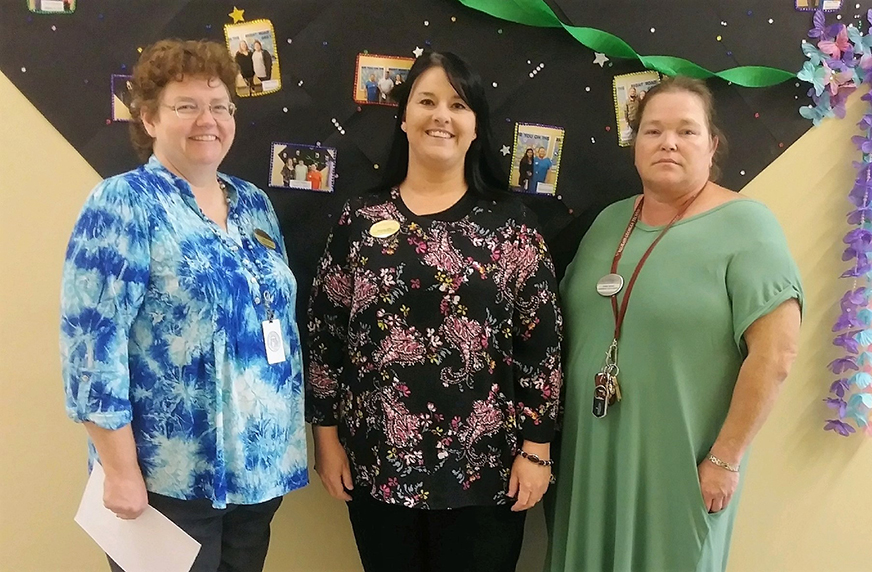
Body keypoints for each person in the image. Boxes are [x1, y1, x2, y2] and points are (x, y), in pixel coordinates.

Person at [306, 51, 563, 572]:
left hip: (487, 470)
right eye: (426, 101)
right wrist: (326, 439)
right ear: (403, 119)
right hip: (376, 464)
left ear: (475, 129)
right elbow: (325, 335)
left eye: (458, 105)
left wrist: (537, 449)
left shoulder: (513, 228)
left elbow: (543, 347)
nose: (441, 115)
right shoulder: (359, 220)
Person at [60, 38, 308, 572]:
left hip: (257, 475)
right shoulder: (123, 203)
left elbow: (276, 324)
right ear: (149, 119)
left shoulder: (254, 204)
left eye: (220, 106)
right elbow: (89, 348)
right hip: (163, 482)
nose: (208, 120)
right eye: (187, 106)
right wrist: (120, 470)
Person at [546, 76, 803, 572]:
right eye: (652, 130)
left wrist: (726, 459)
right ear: (635, 145)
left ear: (712, 145)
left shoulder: (749, 226)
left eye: (687, 131)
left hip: (682, 465)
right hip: (591, 457)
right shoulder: (609, 222)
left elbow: (776, 355)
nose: (668, 142)